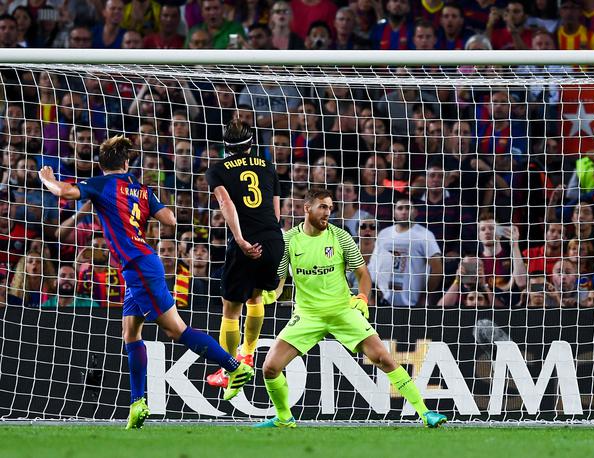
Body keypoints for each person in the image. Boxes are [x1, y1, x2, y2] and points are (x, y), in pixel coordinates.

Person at [38, 135, 253, 429]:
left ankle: (234, 366)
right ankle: (138, 403)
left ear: (101, 165)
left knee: (176, 330)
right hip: (139, 264)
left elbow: (64, 190)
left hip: (139, 266)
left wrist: (46, 178)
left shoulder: (101, 184)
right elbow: (170, 220)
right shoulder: (139, 188)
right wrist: (140, 207)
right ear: (127, 163)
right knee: (130, 332)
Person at [256, 188, 447, 428]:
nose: (328, 212)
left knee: (383, 358)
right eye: (322, 207)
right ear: (307, 208)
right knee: (270, 368)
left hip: (342, 312)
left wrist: (363, 297)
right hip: (307, 315)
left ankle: (425, 413)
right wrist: (269, 295)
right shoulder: (289, 240)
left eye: (330, 207)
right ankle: (284, 418)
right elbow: (281, 279)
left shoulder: (340, 237)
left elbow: (362, 273)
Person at [204, 119, 283, 396]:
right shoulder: (268, 166)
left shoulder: (217, 170)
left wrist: (240, 239)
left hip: (245, 240)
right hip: (273, 239)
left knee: (230, 308)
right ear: (251, 145)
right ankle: (248, 354)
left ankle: (230, 368)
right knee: (256, 296)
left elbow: (226, 203)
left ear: (225, 146)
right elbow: (276, 211)